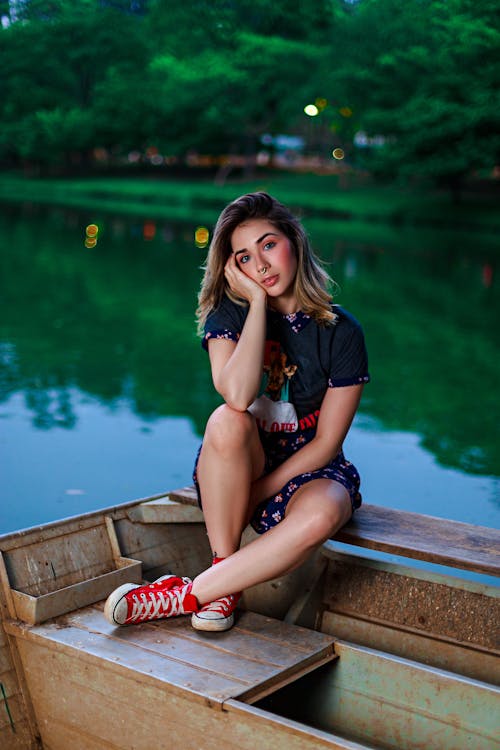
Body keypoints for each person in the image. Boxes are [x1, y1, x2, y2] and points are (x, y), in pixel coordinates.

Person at [104, 192, 370, 631]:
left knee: (325, 513)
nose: (261, 265)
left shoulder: (340, 332)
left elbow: (327, 443)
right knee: (226, 420)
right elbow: (238, 397)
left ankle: (195, 593)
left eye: (268, 245)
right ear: (233, 268)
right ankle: (224, 570)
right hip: (236, 464)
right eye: (244, 257)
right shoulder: (229, 312)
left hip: (309, 468)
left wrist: (262, 490)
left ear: (294, 242)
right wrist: (259, 306)